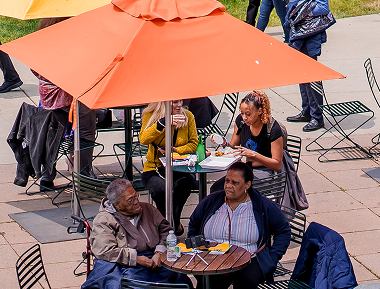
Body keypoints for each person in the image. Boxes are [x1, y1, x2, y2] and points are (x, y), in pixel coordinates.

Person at [189, 161, 292, 289]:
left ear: (247, 184)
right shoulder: (211, 201)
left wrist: (272, 258)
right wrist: (197, 247)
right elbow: (194, 223)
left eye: (235, 183)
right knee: (207, 283)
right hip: (212, 258)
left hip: (249, 260)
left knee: (248, 281)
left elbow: (283, 231)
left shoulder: (263, 205)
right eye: (227, 181)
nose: (228, 186)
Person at [81, 179, 192, 289]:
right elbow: (106, 251)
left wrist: (159, 252)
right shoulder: (104, 220)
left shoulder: (148, 209)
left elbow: (166, 231)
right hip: (123, 263)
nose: (136, 202)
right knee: (128, 284)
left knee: (181, 281)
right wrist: (136, 259)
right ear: (116, 205)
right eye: (130, 200)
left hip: (153, 258)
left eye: (136, 196)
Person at [279, 0, 330, 132]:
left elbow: (323, 7)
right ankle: (307, 111)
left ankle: (317, 117)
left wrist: (303, 13)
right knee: (301, 71)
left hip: (310, 33)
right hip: (297, 31)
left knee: (312, 74)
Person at [139, 100, 199, 230]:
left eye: (180, 101)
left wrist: (176, 150)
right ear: (164, 102)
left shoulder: (188, 116)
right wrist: (161, 123)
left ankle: (171, 224)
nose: (179, 105)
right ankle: (170, 226)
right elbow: (143, 139)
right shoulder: (151, 115)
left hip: (181, 167)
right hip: (154, 167)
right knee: (160, 189)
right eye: (175, 102)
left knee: (186, 183)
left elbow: (194, 144)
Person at [221, 91, 287, 178]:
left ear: (260, 111)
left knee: (237, 184)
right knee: (220, 185)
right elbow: (234, 147)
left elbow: (277, 165)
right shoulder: (241, 122)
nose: (244, 117)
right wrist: (224, 143)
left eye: (248, 114)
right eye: (242, 113)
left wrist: (253, 154)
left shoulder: (273, 129)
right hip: (246, 169)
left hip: (266, 171)